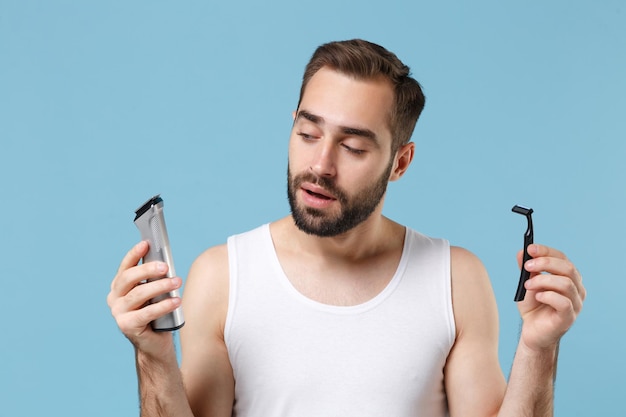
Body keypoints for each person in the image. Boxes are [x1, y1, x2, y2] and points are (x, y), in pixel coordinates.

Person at [107, 39, 586, 417]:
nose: (320, 164)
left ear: (400, 162)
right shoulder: (222, 277)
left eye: (354, 147)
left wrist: (538, 348)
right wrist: (153, 356)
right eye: (308, 133)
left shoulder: (456, 280)